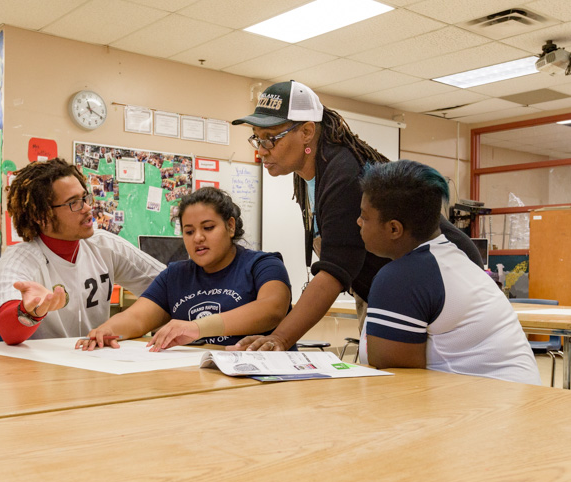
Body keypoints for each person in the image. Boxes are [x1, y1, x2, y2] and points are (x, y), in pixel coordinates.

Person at [229, 80, 483, 352]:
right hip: (388, 285)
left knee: (414, 378)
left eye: (271, 138)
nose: (261, 149)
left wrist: (280, 338)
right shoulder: (308, 173)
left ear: (306, 132)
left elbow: (335, 270)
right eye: (257, 137)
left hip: (441, 282)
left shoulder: (345, 174)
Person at [357, 159, 540, 384]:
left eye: (365, 217)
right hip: (516, 401)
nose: (358, 222)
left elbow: (396, 384)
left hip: (488, 410)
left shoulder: (402, 278)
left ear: (394, 228)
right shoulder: (452, 259)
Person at [77, 187, 292, 351]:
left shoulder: (264, 265)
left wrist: (196, 327)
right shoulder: (175, 275)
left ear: (230, 226)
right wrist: (107, 330)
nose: (198, 238)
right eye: (189, 232)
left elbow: (271, 309)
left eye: (208, 228)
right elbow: (137, 318)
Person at [0, 158, 165, 343]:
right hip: (42, 369)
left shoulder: (105, 245)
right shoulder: (17, 261)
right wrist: (29, 311)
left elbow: (169, 287)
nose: (88, 208)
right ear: (40, 215)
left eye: (85, 198)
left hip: (99, 361)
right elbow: (8, 331)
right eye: (74, 203)